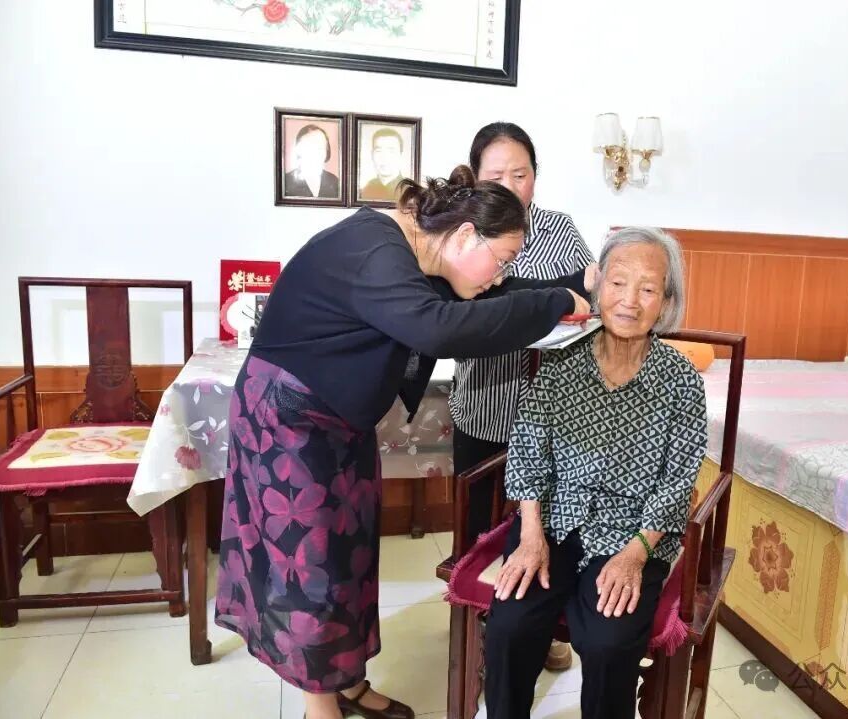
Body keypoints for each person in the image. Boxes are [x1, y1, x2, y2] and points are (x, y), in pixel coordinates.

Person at [214, 165, 594, 719]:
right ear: (465, 236)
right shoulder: (375, 248)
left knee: (350, 557)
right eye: (503, 259)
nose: (501, 274)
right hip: (288, 420)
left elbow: (496, 295)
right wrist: (551, 301)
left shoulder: (424, 255)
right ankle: (320, 708)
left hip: (338, 420)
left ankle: (347, 683)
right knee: (310, 568)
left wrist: (571, 290)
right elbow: (441, 327)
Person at [483, 227, 709, 719]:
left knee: (607, 642)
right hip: (553, 520)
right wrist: (530, 533)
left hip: (634, 533)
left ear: (666, 302)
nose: (629, 300)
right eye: (618, 282)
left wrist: (636, 554)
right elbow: (528, 450)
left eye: (647, 288)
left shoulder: (682, 382)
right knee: (510, 625)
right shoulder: (561, 362)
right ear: (598, 285)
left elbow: (678, 482)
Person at [449, 122, 594, 671]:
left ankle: (542, 622)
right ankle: (481, 624)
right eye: (496, 176)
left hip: (554, 415)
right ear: (474, 180)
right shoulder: (463, 232)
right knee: (480, 527)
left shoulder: (559, 228)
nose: (511, 186)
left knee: (547, 525)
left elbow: (590, 297)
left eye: (521, 174)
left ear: (536, 176)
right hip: (484, 404)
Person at [284, 123, 341, 199]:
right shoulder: (285, 181)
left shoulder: (334, 181)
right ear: (299, 150)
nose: (316, 153)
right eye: (310, 147)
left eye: (320, 147)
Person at [361, 127, 406, 201]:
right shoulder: (364, 191)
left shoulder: (410, 192)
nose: (384, 158)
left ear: (401, 155)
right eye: (378, 151)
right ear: (372, 155)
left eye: (391, 151)